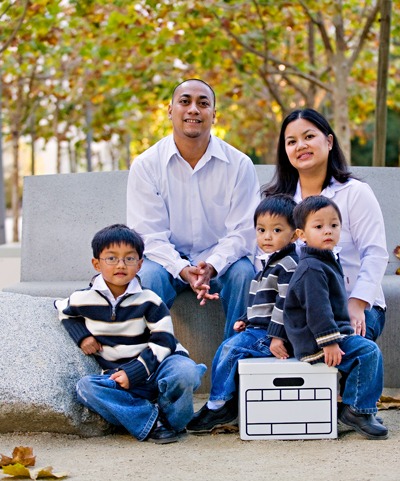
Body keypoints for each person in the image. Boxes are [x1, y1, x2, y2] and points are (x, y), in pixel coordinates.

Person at [127, 79, 260, 340]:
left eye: (203, 103)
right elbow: (147, 235)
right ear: (170, 110)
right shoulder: (146, 165)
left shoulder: (239, 164)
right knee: (147, 276)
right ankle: (148, 364)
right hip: (166, 261)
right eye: (185, 101)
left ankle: (235, 361)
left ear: (214, 114)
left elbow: (244, 232)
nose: (193, 110)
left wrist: (211, 265)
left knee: (245, 273)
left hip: (221, 261)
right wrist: (181, 268)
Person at [55, 224, 206, 444]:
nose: (121, 265)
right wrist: (83, 336)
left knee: (186, 372)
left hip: (159, 366)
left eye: (129, 258)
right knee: (85, 388)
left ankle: (170, 422)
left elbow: (164, 340)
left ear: (140, 264)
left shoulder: (149, 300)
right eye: (111, 258)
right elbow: (62, 310)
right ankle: (151, 421)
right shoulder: (82, 299)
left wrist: (134, 371)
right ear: (96, 263)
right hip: (118, 375)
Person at [262, 108, 389, 342]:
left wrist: (357, 303)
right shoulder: (278, 203)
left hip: (354, 303)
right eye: (292, 141)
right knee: (239, 350)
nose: (300, 145)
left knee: (352, 351)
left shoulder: (355, 193)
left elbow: (375, 253)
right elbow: (265, 257)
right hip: (297, 312)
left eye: (309, 137)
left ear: (329, 141)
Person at [186, 195, 299, 434]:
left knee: (231, 349)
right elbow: (261, 303)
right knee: (230, 345)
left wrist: (278, 336)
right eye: (261, 230)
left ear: (295, 234)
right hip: (260, 329)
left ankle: (219, 404)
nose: (267, 236)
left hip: (275, 334)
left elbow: (286, 304)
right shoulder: (266, 265)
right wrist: (245, 320)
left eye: (277, 230)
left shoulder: (289, 265)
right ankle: (223, 400)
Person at [283, 196, 388, 440]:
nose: (327, 231)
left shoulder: (325, 259)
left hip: (330, 333)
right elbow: (317, 310)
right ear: (302, 235)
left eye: (334, 225)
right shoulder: (311, 268)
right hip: (314, 341)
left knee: (364, 349)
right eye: (318, 227)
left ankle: (361, 406)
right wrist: (329, 342)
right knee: (368, 352)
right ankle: (356, 410)